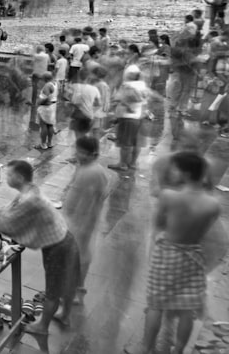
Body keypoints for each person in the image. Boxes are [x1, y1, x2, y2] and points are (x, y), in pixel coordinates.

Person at [0, 160, 79, 336]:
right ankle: (64, 315)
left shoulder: (30, 199)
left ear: (19, 177)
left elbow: (9, 222)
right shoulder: (28, 191)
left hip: (59, 246)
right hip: (60, 239)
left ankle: (42, 327)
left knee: (53, 289)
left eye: (9, 174)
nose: (6, 177)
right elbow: (7, 211)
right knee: (62, 281)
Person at [131, 151, 221, 354]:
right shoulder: (213, 204)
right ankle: (178, 350)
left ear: (187, 174)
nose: (173, 173)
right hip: (193, 256)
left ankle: (147, 348)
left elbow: (160, 224)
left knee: (156, 304)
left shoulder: (169, 196)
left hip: (168, 253)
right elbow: (205, 232)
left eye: (176, 170)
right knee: (186, 307)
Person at [62, 136, 109, 299]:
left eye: (81, 152)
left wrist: (83, 224)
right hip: (75, 219)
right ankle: (74, 287)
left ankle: (77, 290)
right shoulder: (84, 167)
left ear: (93, 154)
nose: (78, 154)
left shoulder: (94, 172)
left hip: (83, 222)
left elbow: (93, 199)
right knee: (74, 254)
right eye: (77, 150)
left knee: (80, 255)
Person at [109, 65, 150, 172]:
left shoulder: (127, 86)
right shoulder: (143, 85)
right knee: (137, 142)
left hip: (128, 118)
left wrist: (114, 111)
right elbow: (145, 101)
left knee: (125, 143)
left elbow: (119, 99)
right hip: (140, 116)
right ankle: (132, 163)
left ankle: (122, 164)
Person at [35, 71, 58, 150]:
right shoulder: (55, 83)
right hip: (52, 107)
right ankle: (50, 143)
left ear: (45, 79)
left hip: (45, 108)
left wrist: (38, 103)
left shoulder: (47, 85)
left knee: (43, 125)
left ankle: (43, 144)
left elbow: (44, 97)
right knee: (50, 125)